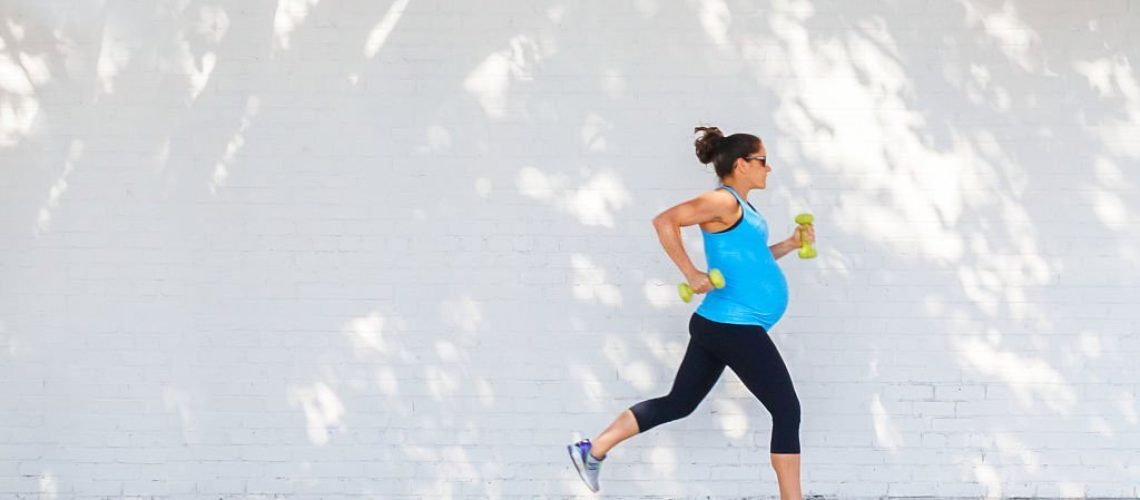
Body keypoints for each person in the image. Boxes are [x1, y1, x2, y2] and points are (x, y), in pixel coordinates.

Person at [567, 126, 815, 499]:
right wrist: (690, 273)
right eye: (763, 160)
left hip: (720, 324)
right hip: (733, 325)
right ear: (741, 164)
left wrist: (790, 244)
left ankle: (593, 450)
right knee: (787, 409)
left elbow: (752, 261)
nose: (769, 167)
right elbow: (664, 220)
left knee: (679, 403)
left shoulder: (742, 208)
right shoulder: (723, 202)